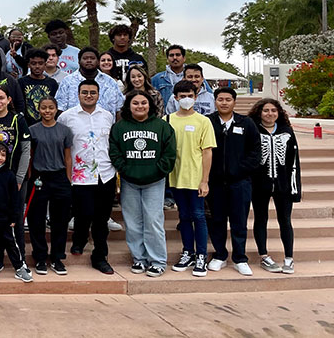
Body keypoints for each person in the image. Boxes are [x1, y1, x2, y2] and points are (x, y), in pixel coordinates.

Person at [109, 90, 176, 278]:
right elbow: (114, 152)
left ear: (150, 105)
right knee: (132, 222)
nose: (140, 106)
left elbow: (169, 154)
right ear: (129, 106)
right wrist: (126, 169)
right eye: (136, 103)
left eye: (144, 103)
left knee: (153, 221)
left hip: (154, 181)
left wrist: (157, 171)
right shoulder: (120, 127)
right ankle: (139, 258)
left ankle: (158, 261)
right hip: (129, 181)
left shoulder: (162, 126)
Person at [57, 80, 117, 274]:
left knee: (101, 218)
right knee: (83, 213)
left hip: (104, 173)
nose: (89, 95)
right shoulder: (66, 117)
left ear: (98, 95)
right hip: (80, 174)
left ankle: (100, 256)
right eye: (85, 92)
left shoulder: (107, 116)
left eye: (92, 92)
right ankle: (79, 240)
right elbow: (61, 143)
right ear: (78, 94)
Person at [206, 87, 261, 276]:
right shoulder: (208, 122)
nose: (224, 102)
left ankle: (240, 258)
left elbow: (255, 152)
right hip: (215, 182)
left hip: (240, 182)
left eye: (228, 99)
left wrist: (239, 170)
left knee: (239, 221)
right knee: (217, 220)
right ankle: (220, 255)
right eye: (220, 99)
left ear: (234, 102)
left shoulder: (246, 123)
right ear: (215, 101)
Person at [166, 80, 216, 277]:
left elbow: (207, 152)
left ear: (195, 97)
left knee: (199, 215)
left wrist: (204, 180)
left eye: (189, 96)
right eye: (182, 96)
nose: (186, 99)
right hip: (176, 178)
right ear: (176, 98)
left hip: (195, 178)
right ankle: (188, 252)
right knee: (184, 216)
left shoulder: (203, 121)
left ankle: (201, 255)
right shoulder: (167, 120)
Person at [248, 98, 302, 275]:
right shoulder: (252, 130)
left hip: (283, 185)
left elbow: (294, 162)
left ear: (279, 113)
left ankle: (289, 258)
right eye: (265, 110)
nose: (269, 114)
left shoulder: (287, 132)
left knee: (285, 220)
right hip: (259, 184)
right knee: (261, 219)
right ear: (259, 112)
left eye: (273, 110)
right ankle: (264, 255)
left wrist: (294, 188)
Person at [0, 84, 31, 266]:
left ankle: (19, 260)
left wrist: (19, 179)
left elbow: (26, 149)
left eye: (1, 98)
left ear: (9, 100)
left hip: (14, 179)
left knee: (16, 220)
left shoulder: (17, 119)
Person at [28, 96, 72, 276]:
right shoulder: (32, 130)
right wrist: (31, 178)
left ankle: (56, 257)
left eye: (51, 108)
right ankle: (39, 257)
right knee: (36, 219)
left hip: (59, 177)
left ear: (56, 109)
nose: (47, 111)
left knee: (60, 220)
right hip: (39, 177)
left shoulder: (65, 131)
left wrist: (68, 179)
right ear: (39, 110)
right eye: (44, 108)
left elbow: (68, 156)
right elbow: (29, 156)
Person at [0, 143, 31, 282]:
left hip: (5, 217)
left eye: (3, 155)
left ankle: (19, 267)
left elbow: (15, 199)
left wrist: (14, 217)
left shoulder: (9, 175)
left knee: (10, 243)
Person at [55, 47, 124, 115]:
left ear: (98, 62)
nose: (89, 60)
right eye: (85, 58)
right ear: (79, 61)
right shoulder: (67, 82)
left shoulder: (110, 82)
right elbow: (60, 109)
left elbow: (119, 108)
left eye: (92, 58)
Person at [151, 45, 212, 112]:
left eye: (178, 55)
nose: (174, 58)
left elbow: (208, 96)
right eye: (171, 55)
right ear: (167, 59)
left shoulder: (196, 77)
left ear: (184, 58)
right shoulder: (157, 79)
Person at [18, 49, 59, 125]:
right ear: (28, 65)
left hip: (47, 124)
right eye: (33, 63)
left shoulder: (52, 83)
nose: (37, 66)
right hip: (27, 124)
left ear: (45, 64)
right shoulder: (21, 82)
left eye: (40, 63)